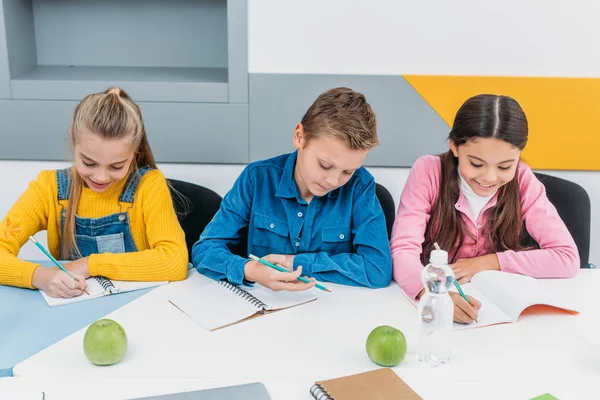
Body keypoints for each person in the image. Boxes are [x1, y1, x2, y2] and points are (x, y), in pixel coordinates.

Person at [390, 94, 579, 323]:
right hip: (435, 311)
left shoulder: (523, 180)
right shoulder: (428, 172)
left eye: (505, 166)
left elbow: (566, 257)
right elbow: (403, 249)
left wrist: (488, 263)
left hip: (499, 315)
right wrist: (432, 294)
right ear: (455, 147)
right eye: (476, 164)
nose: (489, 177)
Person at [193, 87, 392, 291]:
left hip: (329, 309)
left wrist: (294, 263)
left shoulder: (360, 187)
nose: (333, 180)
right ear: (300, 137)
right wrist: (251, 270)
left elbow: (377, 269)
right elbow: (205, 249)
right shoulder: (257, 178)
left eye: (348, 171)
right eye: (324, 165)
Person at [0, 87, 188, 298]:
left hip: (137, 309)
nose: (101, 177)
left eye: (116, 166)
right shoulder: (49, 188)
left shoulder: (149, 185)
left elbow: (174, 261)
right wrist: (39, 276)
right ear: (73, 140)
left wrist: (88, 264)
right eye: (89, 163)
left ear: (135, 154)